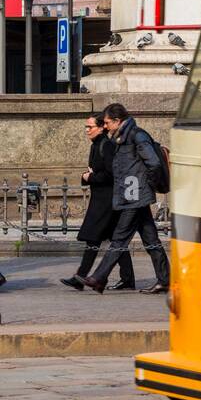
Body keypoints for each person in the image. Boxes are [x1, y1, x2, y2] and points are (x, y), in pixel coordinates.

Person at [81, 104, 170, 295]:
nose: (105, 127)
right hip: (132, 194)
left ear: (117, 121)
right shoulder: (122, 138)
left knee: (120, 237)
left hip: (136, 196)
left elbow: (153, 163)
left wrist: (147, 186)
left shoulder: (137, 135)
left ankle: (99, 277)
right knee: (150, 239)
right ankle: (164, 280)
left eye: (106, 123)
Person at [61, 113, 135, 292]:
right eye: (86, 127)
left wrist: (90, 176)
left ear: (102, 127)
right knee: (116, 240)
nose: (87, 130)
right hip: (101, 199)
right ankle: (127, 279)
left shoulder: (106, 145)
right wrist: (87, 177)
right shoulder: (97, 145)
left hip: (106, 201)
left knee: (93, 237)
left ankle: (81, 276)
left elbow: (111, 174)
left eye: (90, 127)